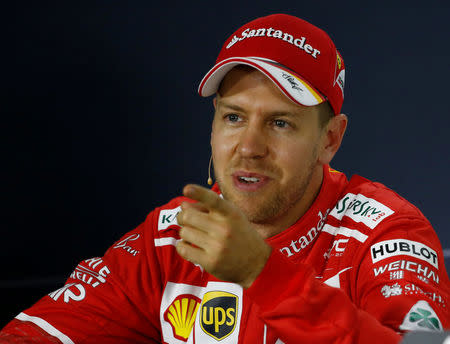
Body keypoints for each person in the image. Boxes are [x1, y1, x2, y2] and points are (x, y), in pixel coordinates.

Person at [1, 13, 449, 344]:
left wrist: (263, 274)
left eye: (280, 123)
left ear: (330, 139)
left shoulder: (386, 234)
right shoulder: (171, 236)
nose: (249, 147)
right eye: (234, 117)